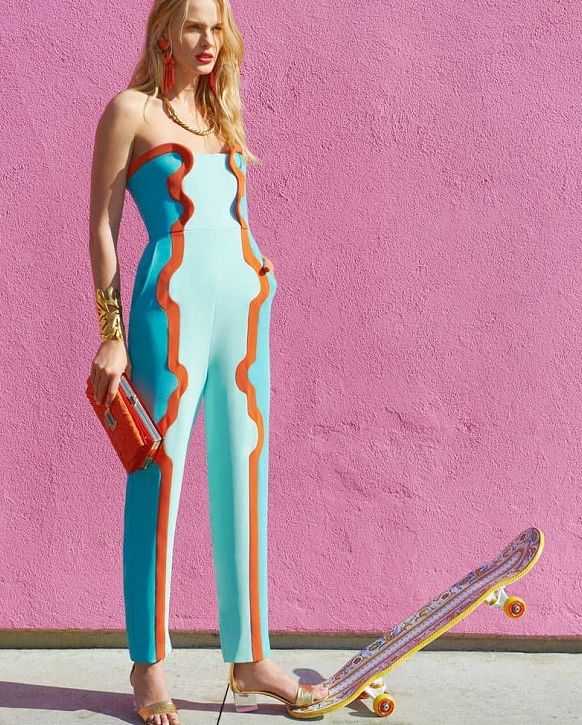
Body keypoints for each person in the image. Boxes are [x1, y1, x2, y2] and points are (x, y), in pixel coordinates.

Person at [88, 0, 330, 722]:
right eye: (194, 25)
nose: (207, 40)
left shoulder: (223, 114)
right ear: (164, 29)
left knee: (245, 475)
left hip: (246, 313)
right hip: (170, 309)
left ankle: (250, 656)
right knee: (156, 477)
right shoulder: (130, 111)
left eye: (216, 26)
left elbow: (231, 215)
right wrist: (110, 332)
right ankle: (148, 663)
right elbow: (102, 225)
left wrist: (260, 266)